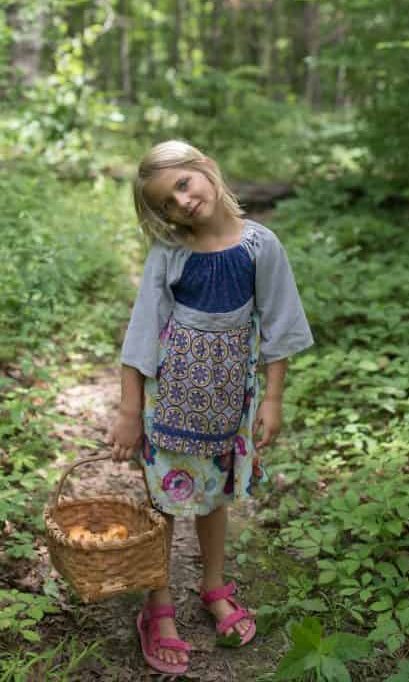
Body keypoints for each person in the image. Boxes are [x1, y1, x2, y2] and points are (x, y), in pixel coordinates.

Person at [107, 140, 314, 675]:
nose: (181, 203)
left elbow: (279, 325)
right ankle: (156, 605)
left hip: (228, 403)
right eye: (166, 204)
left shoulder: (259, 247)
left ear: (205, 169)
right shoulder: (170, 256)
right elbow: (141, 335)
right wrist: (129, 411)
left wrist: (273, 398)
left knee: (216, 494)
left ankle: (214, 584)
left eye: (182, 184)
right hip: (168, 404)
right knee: (162, 501)